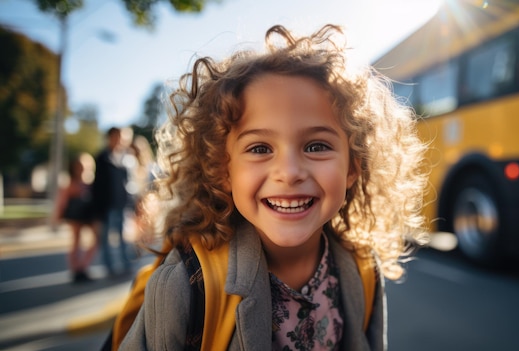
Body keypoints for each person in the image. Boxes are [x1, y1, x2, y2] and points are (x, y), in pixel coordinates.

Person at [119, 24, 428, 350]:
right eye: (259, 149)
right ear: (223, 169)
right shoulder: (185, 287)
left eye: (316, 146)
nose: (289, 172)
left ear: (353, 166)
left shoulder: (363, 270)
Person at [93, 126, 133, 277]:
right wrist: (97, 210)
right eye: (116, 137)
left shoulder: (125, 158)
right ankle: (110, 268)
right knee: (106, 239)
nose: (119, 140)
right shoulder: (102, 157)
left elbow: (128, 183)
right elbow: (96, 187)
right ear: (110, 138)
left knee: (123, 238)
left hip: (121, 205)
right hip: (106, 206)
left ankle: (126, 265)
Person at [53, 153, 99, 283]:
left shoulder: (92, 181)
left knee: (97, 239)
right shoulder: (70, 183)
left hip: (89, 215)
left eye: (85, 166)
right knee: (76, 241)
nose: (82, 169)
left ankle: (83, 266)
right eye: (79, 166)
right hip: (76, 216)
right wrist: (57, 217)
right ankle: (76, 269)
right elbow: (62, 202)